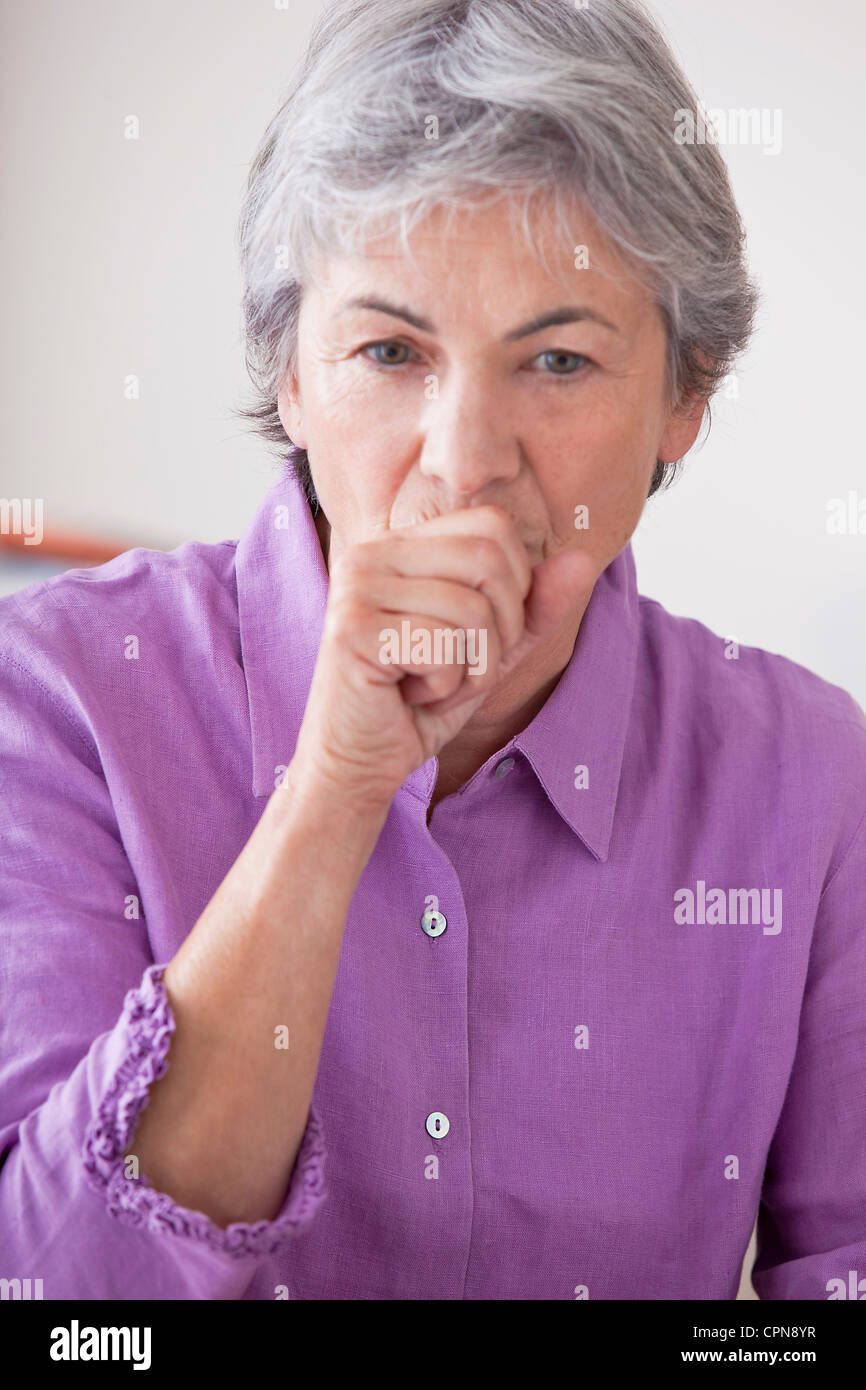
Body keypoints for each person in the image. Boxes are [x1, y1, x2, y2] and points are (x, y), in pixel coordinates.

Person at [1, 0, 864, 1301]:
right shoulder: (53, 694)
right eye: (389, 350)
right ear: (287, 373)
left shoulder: (807, 773)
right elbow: (58, 1300)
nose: (464, 459)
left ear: (685, 395)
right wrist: (336, 784)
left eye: (558, 358)